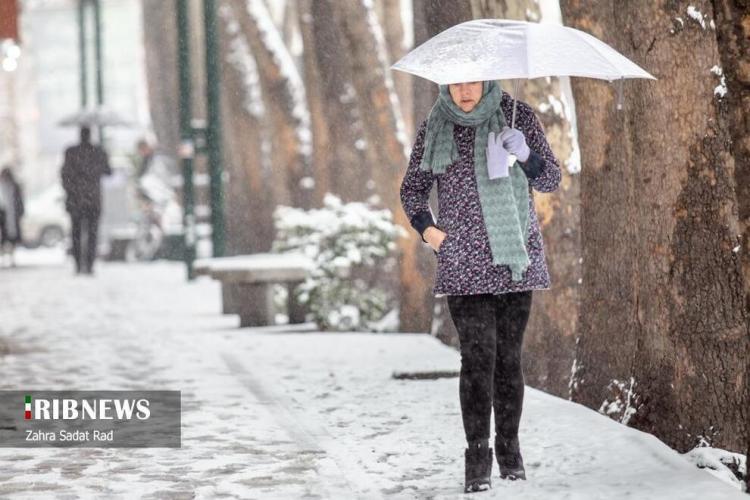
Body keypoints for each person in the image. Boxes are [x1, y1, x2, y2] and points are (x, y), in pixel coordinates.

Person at [399, 80, 561, 493]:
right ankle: (477, 460)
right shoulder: (435, 125)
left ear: (488, 79)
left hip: (513, 261)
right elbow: (412, 191)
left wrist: (524, 153)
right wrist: (430, 233)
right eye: (455, 82)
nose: (464, 91)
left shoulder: (517, 116)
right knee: (477, 358)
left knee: (508, 358)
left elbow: (550, 180)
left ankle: (511, 453)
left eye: (472, 81)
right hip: (462, 262)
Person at [60, 126, 112, 275]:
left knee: (76, 233)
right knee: (92, 234)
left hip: (76, 200)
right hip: (93, 200)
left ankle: (78, 265)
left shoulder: (71, 152)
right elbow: (108, 171)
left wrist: (71, 189)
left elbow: (64, 175)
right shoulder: (98, 152)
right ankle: (89, 265)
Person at [0, 167, 24, 267]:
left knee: (11, 239)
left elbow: (19, 201)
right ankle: (6, 257)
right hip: (3, 216)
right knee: (4, 238)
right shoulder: (2, 186)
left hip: (12, 216)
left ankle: (11, 258)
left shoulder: (14, 186)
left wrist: (21, 212)